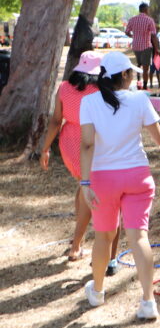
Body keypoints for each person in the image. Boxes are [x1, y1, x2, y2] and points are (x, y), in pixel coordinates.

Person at [79, 52, 160, 317]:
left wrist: (85, 183)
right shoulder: (139, 100)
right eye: (131, 72)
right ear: (124, 75)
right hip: (137, 176)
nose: (134, 76)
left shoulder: (88, 102)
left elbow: (87, 144)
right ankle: (148, 302)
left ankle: (98, 291)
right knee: (139, 238)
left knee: (103, 237)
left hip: (102, 180)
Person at [40, 51, 103, 262]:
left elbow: (56, 121)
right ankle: (76, 245)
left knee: (82, 185)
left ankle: (79, 238)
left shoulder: (64, 87)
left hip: (67, 143)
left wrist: (45, 148)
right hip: (89, 143)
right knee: (88, 191)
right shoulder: (99, 91)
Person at [124, 3, 159, 90]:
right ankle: (144, 85)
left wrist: (133, 36)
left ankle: (138, 82)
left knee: (138, 65)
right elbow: (154, 35)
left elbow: (127, 32)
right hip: (146, 46)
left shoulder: (132, 19)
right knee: (145, 68)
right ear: (146, 10)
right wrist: (157, 48)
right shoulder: (149, 20)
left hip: (136, 46)